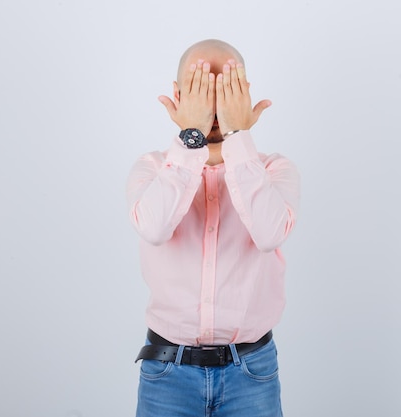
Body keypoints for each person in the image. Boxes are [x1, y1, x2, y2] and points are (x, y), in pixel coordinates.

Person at [126, 39, 300, 417]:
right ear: (178, 95)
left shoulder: (274, 170)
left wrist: (239, 138)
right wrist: (192, 138)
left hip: (251, 373)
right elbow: (154, 228)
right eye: (201, 88)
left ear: (243, 94)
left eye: (226, 90)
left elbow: (270, 234)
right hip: (167, 373)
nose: (215, 105)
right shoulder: (153, 168)